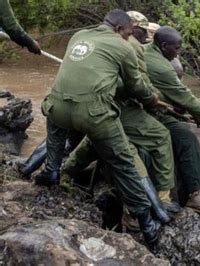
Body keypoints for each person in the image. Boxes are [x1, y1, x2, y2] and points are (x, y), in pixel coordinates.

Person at [34, 9, 166, 251]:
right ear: (119, 29)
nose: (128, 38)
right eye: (127, 34)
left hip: (56, 108)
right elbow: (135, 85)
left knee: (57, 118)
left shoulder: (79, 35)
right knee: (124, 162)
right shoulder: (123, 46)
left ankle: (51, 170)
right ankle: (147, 224)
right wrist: (151, 99)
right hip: (94, 115)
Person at [144, 26, 200, 214]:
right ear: (164, 45)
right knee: (187, 138)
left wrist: (181, 110)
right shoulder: (161, 68)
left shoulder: (150, 51)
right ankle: (190, 196)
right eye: (176, 49)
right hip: (143, 112)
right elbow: (184, 96)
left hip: (152, 106)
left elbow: (174, 95)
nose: (179, 52)